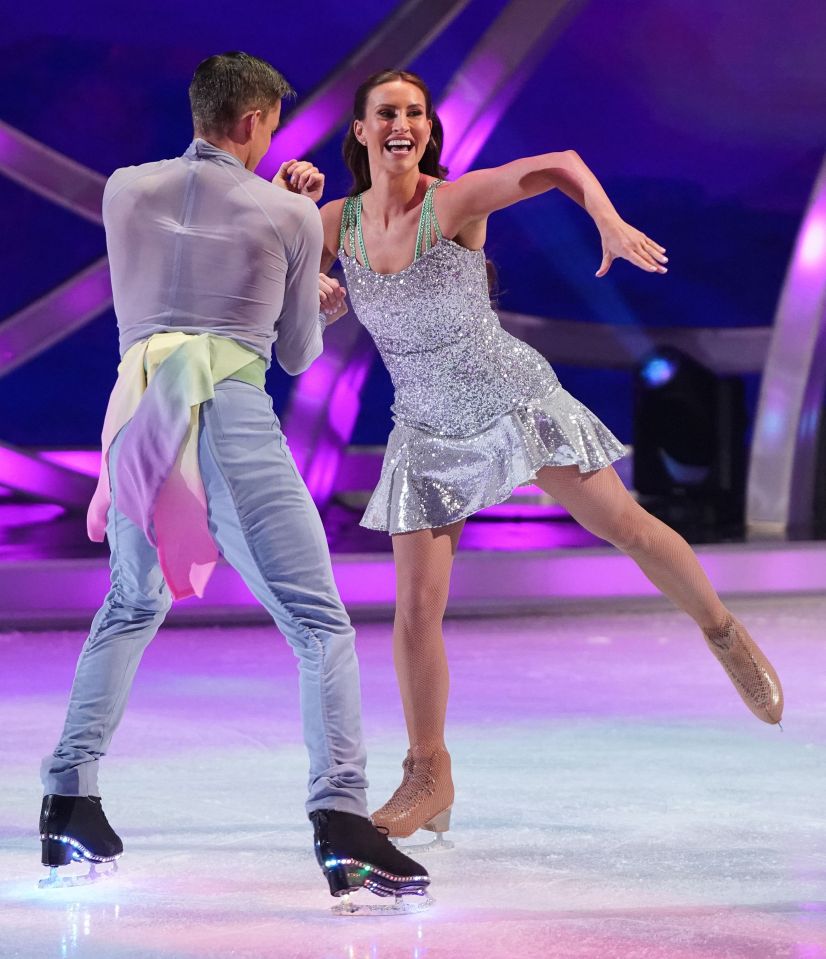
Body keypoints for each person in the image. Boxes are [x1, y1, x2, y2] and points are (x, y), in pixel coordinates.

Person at [317, 69, 784, 842]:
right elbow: (271, 266)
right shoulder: (337, 221)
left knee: (627, 527)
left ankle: (723, 631)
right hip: (427, 429)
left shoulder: (455, 200)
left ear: (428, 129)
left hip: (511, 403)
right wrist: (316, 289)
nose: (401, 124)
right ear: (362, 131)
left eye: (414, 113)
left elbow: (562, 161)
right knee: (414, 611)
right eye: (385, 113)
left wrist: (605, 219)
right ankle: (428, 771)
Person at [39, 52, 429, 907]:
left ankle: (69, 799)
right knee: (319, 622)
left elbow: (187, 260)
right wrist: (310, 278)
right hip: (226, 415)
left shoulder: (123, 189)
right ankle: (341, 820)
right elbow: (291, 350)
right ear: (256, 122)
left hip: (138, 418)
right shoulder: (286, 210)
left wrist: (278, 215)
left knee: (131, 605)